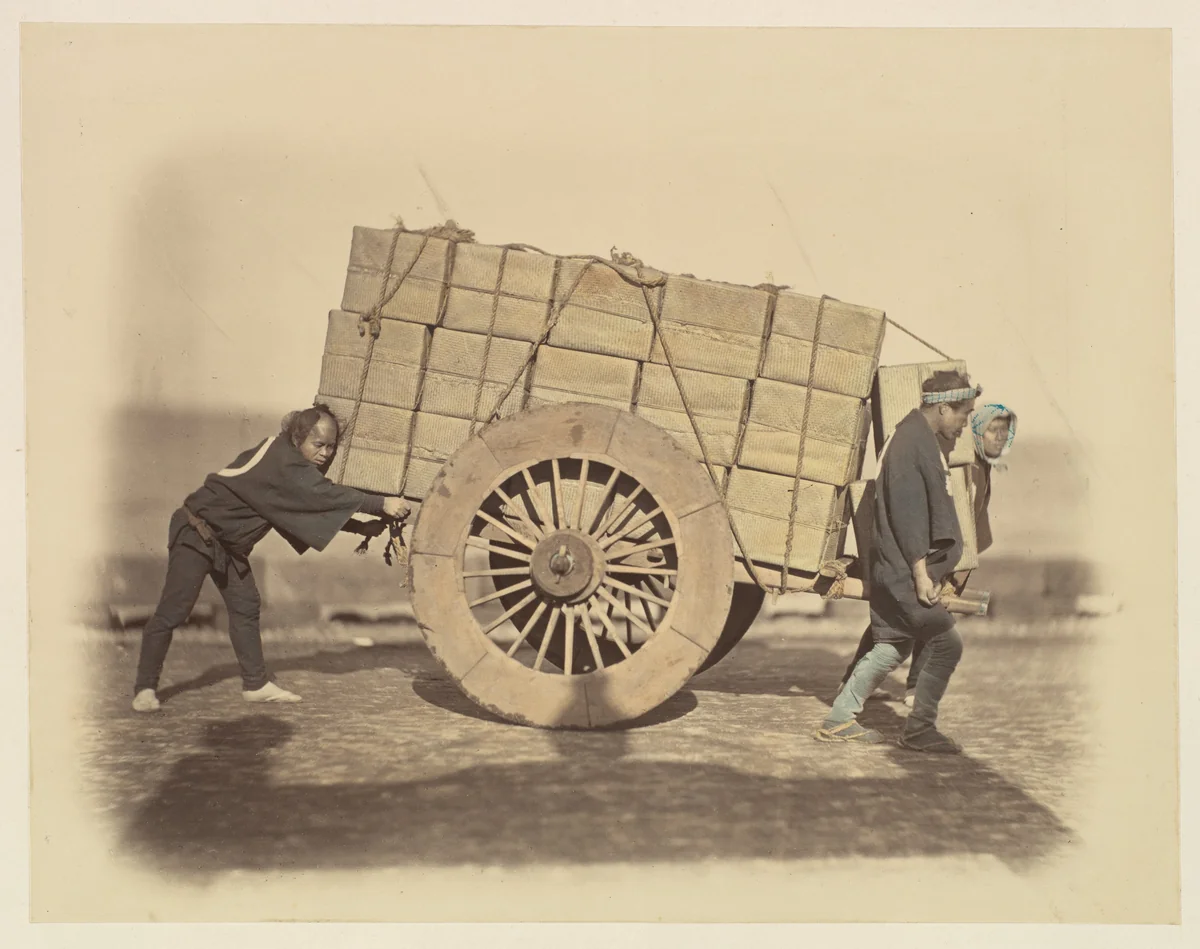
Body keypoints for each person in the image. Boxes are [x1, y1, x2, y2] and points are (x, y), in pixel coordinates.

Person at [131, 404, 409, 712]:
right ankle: (145, 688)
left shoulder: (288, 463)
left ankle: (256, 685)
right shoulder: (280, 459)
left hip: (228, 546)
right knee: (174, 609)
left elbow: (304, 506)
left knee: (246, 606)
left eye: (331, 447)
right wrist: (380, 504)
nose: (325, 454)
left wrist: (360, 527)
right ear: (297, 437)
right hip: (196, 532)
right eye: (318, 444)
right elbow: (321, 494)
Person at [815, 370, 978, 752]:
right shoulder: (911, 443)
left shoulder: (916, 437)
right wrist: (921, 574)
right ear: (943, 408)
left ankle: (839, 719)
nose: (965, 424)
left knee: (893, 645)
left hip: (897, 566)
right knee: (946, 645)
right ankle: (919, 730)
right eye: (963, 414)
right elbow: (907, 516)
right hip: (904, 570)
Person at [836, 403, 1018, 705]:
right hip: (931, 552)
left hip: (949, 556)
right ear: (976, 432)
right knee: (920, 614)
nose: (1000, 437)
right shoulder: (962, 466)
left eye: (1005, 431)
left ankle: (857, 681)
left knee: (905, 615)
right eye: (993, 430)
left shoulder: (980, 466)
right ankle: (909, 687)